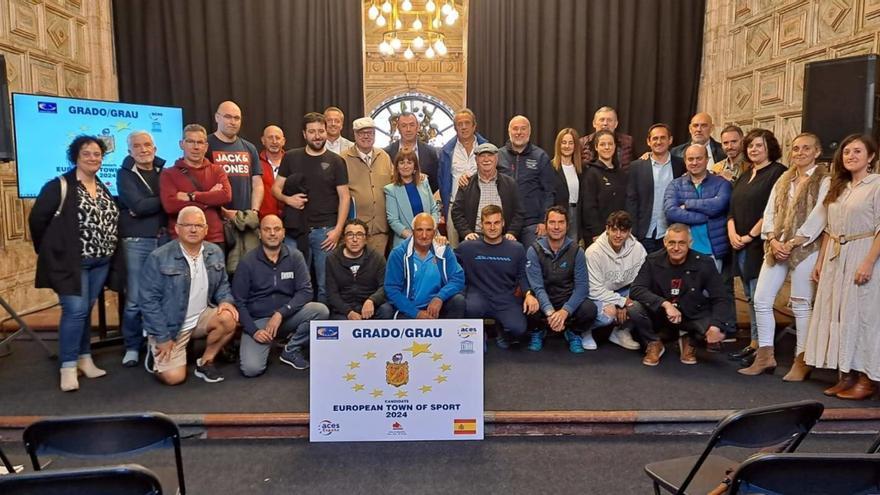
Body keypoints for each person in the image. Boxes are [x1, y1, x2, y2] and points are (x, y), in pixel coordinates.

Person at [29, 135, 120, 392]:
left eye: (97, 154)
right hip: (72, 264)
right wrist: (50, 252)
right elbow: (38, 221)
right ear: (75, 157)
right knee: (75, 312)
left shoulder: (101, 186)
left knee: (84, 311)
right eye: (87, 154)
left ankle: (85, 358)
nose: (93, 158)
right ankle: (67, 366)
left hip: (101, 261)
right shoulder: (59, 185)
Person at [740, 133, 829, 377]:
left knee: (801, 304)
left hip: (805, 247)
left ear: (817, 152)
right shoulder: (784, 179)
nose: (800, 152)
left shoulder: (825, 180)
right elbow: (769, 212)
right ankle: (765, 357)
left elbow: (820, 215)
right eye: (796, 148)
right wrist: (771, 238)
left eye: (806, 148)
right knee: (761, 299)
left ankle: (802, 360)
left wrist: (792, 242)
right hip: (776, 245)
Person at [805, 134, 880, 400]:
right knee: (837, 313)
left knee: (862, 316)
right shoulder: (839, 186)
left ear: (870, 156)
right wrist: (821, 260)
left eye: (858, 151)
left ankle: (866, 378)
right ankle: (845, 373)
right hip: (837, 255)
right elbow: (828, 228)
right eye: (847, 151)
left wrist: (869, 262)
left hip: (863, 253)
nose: (851, 156)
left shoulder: (877, 186)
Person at [140, 206, 239, 385]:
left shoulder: (214, 252)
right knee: (174, 378)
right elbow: (148, 301)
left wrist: (226, 301)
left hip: (200, 317)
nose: (193, 230)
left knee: (229, 317)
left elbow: (223, 284)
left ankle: (206, 361)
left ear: (206, 229)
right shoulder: (159, 257)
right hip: (170, 325)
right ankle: (154, 351)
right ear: (177, 229)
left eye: (198, 225)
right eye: (187, 225)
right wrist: (162, 337)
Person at [232, 214, 329, 376]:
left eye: (276, 229)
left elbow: (306, 291)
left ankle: (291, 350)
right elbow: (239, 302)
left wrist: (281, 313)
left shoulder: (295, 256)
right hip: (259, 321)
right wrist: (253, 330)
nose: (272, 233)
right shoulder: (247, 262)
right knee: (251, 369)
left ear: (283, 233)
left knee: (320, 310)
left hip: (287, 316)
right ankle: (262, 343)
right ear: (259, 234)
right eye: (267, 229)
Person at [272, 112, 350, 303]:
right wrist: (288, 200)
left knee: (325, 284)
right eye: (312, 132)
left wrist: (338, 230)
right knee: (294, 283)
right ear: (304, 134)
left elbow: (345, 197)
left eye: (321, 131)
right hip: (295, 232)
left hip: (326, 232)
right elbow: (275, 189)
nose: (317, 136)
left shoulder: (337, 161)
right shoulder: (291, 157)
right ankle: (299, 325)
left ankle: (323, 328)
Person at [628, 224, 731, 366]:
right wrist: (665, 304)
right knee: (634, 307)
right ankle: (654, 342)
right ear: (665, 242)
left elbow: (721, 297)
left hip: (692, 312)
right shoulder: (653, 260)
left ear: (690, 243)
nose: (676, 248)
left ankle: (689, 339)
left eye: (681, 243)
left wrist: (716, 326)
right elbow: (636, 289)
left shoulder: (705, 263)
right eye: (671, 242)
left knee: (715, 326)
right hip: (662, 313)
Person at [726, 129, 787, 365]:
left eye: (759, 145)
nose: (753, 150)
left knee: (759, 298)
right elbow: (731, 208)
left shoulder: (777, 174)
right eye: (750, 145)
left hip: (759, 245)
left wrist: (750, 236)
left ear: (769, 147)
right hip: (739, 243)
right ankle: (754, 343)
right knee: (750, 296)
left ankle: (762, 346)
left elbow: (773, 211)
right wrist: (732, 232)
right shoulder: (745, 174)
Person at [116, 130, 166, 367]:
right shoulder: (124, 175)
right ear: (129, 151)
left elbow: (145, 207)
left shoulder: (164, 171)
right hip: (136, 241)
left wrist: (145, 206)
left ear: (155, 148)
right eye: (137, 146)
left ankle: (157, 342)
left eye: (147, 145)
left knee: (163, 295)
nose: (143, 149)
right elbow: (137, 204)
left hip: (164, 239)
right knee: (135, 298)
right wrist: (164, 199)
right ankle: (132, 347)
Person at [457, 205, 539, 348]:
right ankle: (479, 333)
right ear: (481, 225)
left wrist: (528, 294)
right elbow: (450, 263)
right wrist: (440, 242)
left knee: (518, 329)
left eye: (496, 223)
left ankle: (502, 330)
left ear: (503, 223)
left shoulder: (516, 248)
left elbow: (522, 275)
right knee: (467, 307)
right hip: (478, 297)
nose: (492, 227)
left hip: (504, 298)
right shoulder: (467, 247)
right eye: (488, 223)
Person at [525, 206, 597, 353]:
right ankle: (538, 331)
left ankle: (573, 332)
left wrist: (565, 311)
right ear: (545, 225)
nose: (556, 227)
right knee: (528, 303)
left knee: (590, 309)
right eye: (552, 222)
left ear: (567, 225)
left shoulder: (577, 251)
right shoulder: (534, 250)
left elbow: (582, 287)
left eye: (561, 222)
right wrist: (551, 313)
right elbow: (537, 287)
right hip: (543, 299)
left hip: (566, 299)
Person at [206, 101, 263, 273]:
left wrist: (254, 212)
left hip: (245, 223)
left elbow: (257, 182)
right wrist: (223, 211)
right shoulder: (206, 145)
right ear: (217, 118)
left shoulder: (249, 148)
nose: (233, 122)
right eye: (228, 117)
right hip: (217, 222)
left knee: (246, 272)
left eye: (237, 118)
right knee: (217, 271)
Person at [160, 124, 232, 247]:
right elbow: (170, 206)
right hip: (180, 240)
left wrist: (192, 196)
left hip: (214, 238)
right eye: (190, 142)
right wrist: (210, 198)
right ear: (181, 144)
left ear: (206, 146)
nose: (196, 147)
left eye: (200, 142)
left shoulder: (217, 170)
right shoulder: (168, 173)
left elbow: (225, 196)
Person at [664, 144, 732, 272]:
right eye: (690, 159)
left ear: (707, 160)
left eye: (699, 158)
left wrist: (688, 204)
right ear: (685, 161)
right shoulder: (675, 185)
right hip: (684, 252)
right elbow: (671, 212)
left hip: (713, 252)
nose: (694, 162)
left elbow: (719, 205)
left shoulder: (721, 183)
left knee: (711, 291)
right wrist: (706, 216)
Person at [584, 211, 646, 351]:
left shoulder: (638, 249)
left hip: (625, 290)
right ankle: (583, 330)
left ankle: (621, 331)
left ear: (629, 232)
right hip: (599, 293)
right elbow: (593, 289)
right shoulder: (594, 252)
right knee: (608, 314)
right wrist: (622, 302)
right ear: (607, 229)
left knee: (643, 300)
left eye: (623, 231)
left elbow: (644, 281)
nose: (618, 235)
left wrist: (629, 299)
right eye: (614, 230)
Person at [384, 213, 466, 319]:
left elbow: (458, 278)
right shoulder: (398, 253)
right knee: (385, 310)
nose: (424, 235)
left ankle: (452, 335)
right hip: (408, 308)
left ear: (435, 232)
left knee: (458, 300)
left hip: (436, 307)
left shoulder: (443, 251)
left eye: (428, 230)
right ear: (412, 231)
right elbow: (392, 289)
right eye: (419, 230)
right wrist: (416, 313)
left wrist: (440, 297)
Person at [497, 115, 558, 249]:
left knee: (532, 264)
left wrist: (544, 221)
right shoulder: (498, 156)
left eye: (523, 129)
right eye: (515, 129)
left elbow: (549, 192)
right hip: (503, 223)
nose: (519, 132)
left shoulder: (540, 156)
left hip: (532, 224)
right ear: (509, 132)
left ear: (529, 132)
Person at [626, 123, 685, 253]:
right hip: (643, 233)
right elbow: (631, 201)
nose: (659, 142)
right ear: (648, 141)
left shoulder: (681, 165)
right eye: (655, 138)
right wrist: (633, 231)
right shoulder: (636, 167)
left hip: (672, 233)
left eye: (663, 138)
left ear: (670, 140)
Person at [342, 117, 393, 255]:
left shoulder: (384, 156)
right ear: (354, 135)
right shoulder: (343, 159)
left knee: (377, 272)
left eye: (370, 133)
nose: (366, 136)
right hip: (355, 232)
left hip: (380, 230)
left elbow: (395, 183)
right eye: (361, 133)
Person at [452, 143, 523, 241]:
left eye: (490, 155)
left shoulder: (510, 184)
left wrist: (512, 232)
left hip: (504, 238)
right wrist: (466, 232)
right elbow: (457, 212)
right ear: (476, 160)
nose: (486, 159)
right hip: (475, 238)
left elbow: (519, 212)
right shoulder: (466, 184)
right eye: (482, 156)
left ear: (497, 159)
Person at [437, 108, 488, 246]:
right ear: (455, 127)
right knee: (454, 249)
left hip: (481, 206)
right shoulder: (447, 151)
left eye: (467, 123)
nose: (464, 127)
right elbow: (441, 182)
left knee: (481, 248)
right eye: (460, 124)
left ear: (474, 125)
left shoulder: (486, 148)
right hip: (455, 207)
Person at [326, 218, 393, 320]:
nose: (355, 239)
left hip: (370, 308)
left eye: (359, 235)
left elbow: (385, 287)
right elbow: (332, 293)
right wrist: (348, 312)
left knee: (386, 309)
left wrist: (372, 300)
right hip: (344, 310)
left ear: (366, 239)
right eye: (350, 234)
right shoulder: (332, 259)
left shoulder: (377, 258)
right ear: (344, 238)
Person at [385, 149, 441, 247]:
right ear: (397, 167)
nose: (406, 166)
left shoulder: (424, 183)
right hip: (405, 241)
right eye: (402, 163)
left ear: (415, 166)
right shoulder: (391, 190)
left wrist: (430, 230)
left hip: (431, 237)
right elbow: (393, 221)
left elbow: (434, 209)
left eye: (409, 162)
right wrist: (415, 238)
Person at [581, 129, 628, 244]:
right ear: (596, 147)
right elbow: (588, 207)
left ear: (615, 146)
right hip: (597, 235)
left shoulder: (622, 174)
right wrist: (596, 232)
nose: (607, 147)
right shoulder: (590, 173)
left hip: (619, 233)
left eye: (610, 144)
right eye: (602, 144)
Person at [384, 111, 440, 194]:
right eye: (404, 126)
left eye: (412, 125)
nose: (408, 129)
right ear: (398, 128)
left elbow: (436, 183)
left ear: (418, 127)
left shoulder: (431, 153)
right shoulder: (387, 153)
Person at [551, 128, 584, 240]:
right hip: (559, 215)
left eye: (571, 143)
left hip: (577, 214)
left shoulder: (582, 169)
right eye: (563, 142)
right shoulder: (550, 167)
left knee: (573, 248)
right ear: (558, 145)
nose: (567, 146)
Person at [257, 125, 285, 218]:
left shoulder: (293, 162)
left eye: (277, 138)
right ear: (263, 140)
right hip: (263, 220)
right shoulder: (255, 163)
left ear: (283, 141)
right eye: (270, 137)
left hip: (290, 220)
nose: (274, 141)